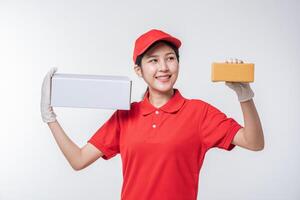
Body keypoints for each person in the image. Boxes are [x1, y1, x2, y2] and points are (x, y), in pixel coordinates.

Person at [41, 29, 264, 200]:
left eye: (170, 58)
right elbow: (78, 160)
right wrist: (50, 118)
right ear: (139, 70)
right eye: (153, 60)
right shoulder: (125, 116)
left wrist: (244, 95)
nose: (164, 67)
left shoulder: (199, 112)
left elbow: (254, 142)